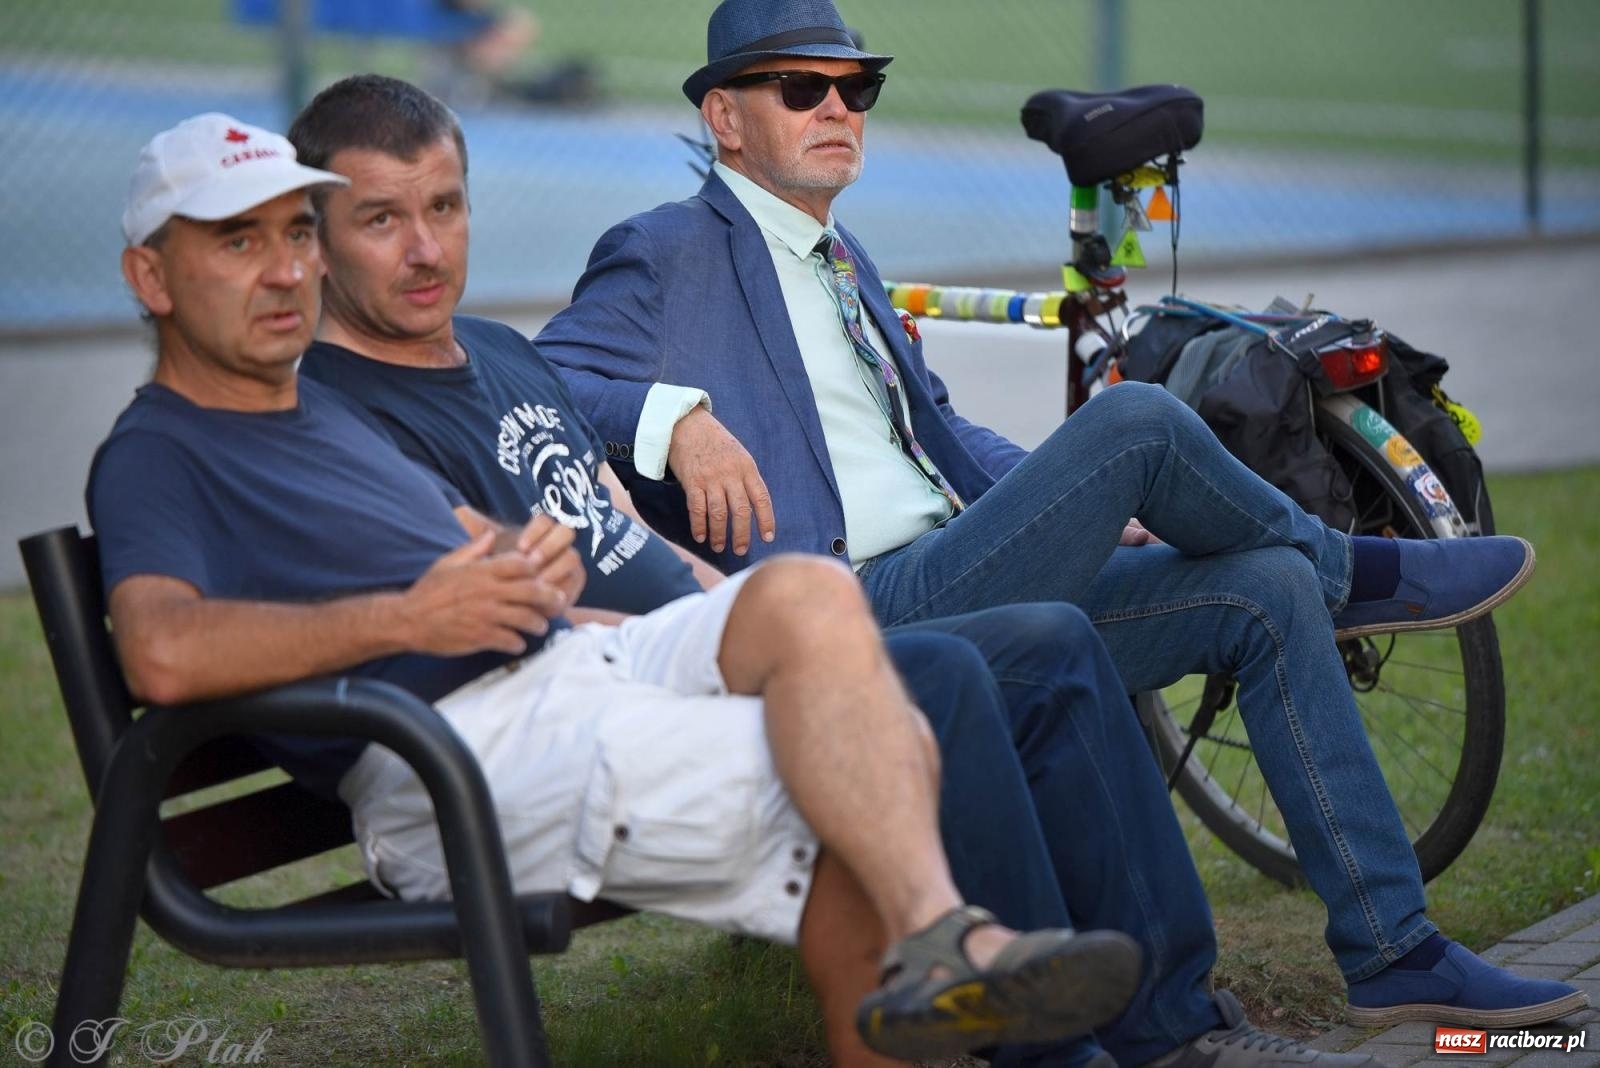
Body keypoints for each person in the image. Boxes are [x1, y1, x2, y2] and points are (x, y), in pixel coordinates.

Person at [287, 74, 1389, 1068]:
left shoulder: (507, 350)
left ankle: (1190, 1021)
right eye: (381, 220)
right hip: (622, 690)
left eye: (443, 209)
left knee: (1111, 622)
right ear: (314, 238)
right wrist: (683, 422)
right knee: (1111, 467)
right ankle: (1060, 1042)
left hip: (726, 630)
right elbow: (486, 577)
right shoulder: (358, 405)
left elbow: (629, 517)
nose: (425, 249)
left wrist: (744, 602)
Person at [534, 0, 1588, 1034]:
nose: (838, 110)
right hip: (846, 608)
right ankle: (1352, 571)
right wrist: (677, 419)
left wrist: (1086, 500)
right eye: (801, 88)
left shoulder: (840, 260)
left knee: (1261, 592)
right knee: (1135, 416)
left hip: (952, 565)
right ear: (725, 118)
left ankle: (1393, 951)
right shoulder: (667, 248)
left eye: (857, 88)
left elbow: (936, 436)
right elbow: (541, 385)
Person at [92, 111, 1156, 1065]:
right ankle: (954, 950)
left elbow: (466, 551)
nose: (283, 271)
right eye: (239, 242)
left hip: (564, 673)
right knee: (868, 762)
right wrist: (419, 615)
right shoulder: (165, 446)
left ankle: (940, 939)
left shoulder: (312, 414)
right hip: (449, 750)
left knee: (804, 600)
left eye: (290, 235)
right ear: (152, 278)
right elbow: (162, 650)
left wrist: (523, 576)